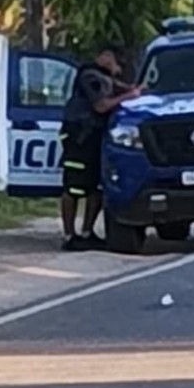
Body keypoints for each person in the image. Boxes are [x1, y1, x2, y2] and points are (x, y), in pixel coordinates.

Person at [59, 44, 141, 250]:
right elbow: (101, 105)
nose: (118, 68)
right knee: (74, 187)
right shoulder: (90, 76)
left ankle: (87, 233)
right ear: (105, 56)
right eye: (116, 63)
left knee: (96, 188)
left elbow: (118, 85)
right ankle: (70, 236)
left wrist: (135, 89)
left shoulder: (104, 78)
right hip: (80, 137)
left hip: (95, 137)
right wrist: (129, 96)